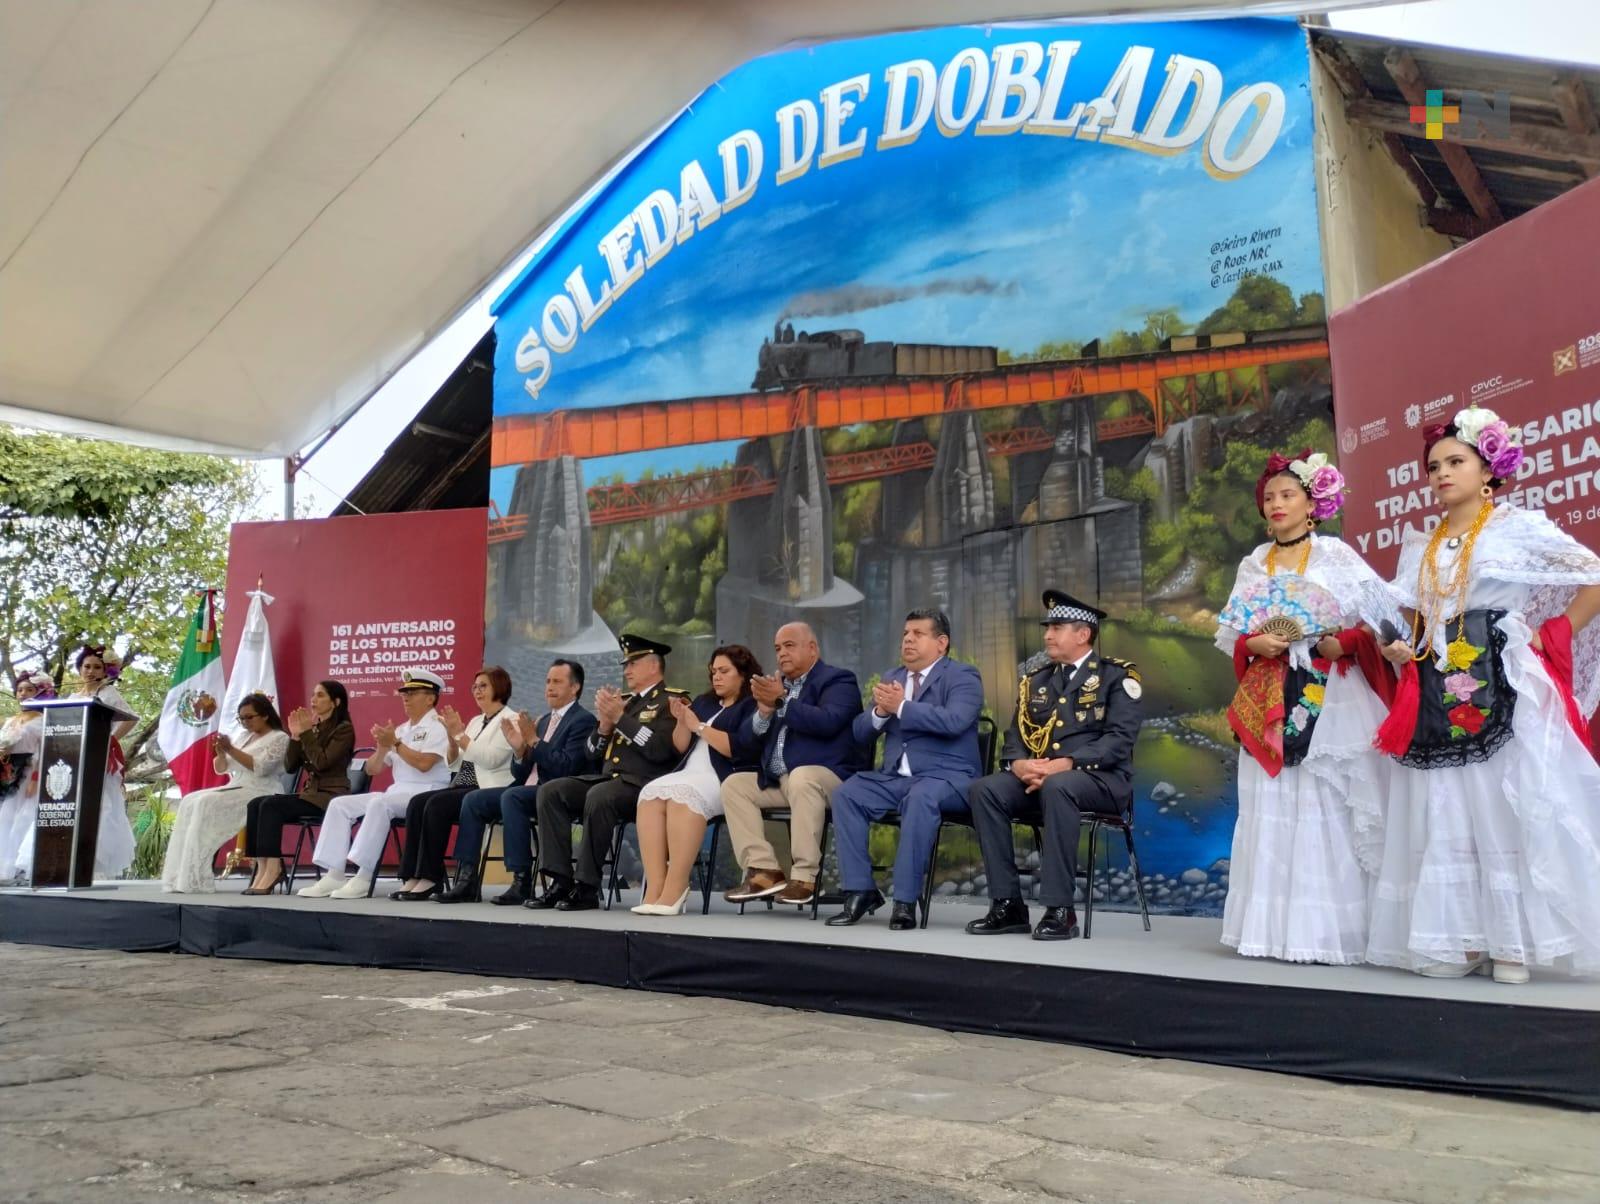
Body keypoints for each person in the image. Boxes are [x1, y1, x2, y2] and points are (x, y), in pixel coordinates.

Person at [1371, 404, 1600, 983]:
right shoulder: (1420, 544)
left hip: (1503, 676)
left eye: (1455, 462)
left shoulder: (1516, 527)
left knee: (1502, 800)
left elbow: (1593, 577)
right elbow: (1414, 620)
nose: (1441, 474)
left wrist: (1552, 633)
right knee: (1445, 805)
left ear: (1488, 468)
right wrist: (1400, 648)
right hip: (1436, 680)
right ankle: (1465, 937)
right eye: (1433, 467)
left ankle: (1513, 944)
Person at [1214, 451, 1401, 964]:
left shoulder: (1334, 555)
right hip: (1269, 690)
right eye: (1269, 497)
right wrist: (1254, 644)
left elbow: (1382, 620)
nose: (1277, 504)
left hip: (1330, 691)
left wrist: (1345, 642)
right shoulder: (1254, 563)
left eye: (1288, 495)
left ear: (1312, 503)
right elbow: (1233, 633)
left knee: (1326, 800)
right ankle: (1272, 932)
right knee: (1272, 800)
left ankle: (1333, 932)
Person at [965, 591, 1142, 940]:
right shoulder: (1037, 680)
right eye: (1047, 628)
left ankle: (1060, 910)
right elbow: (1016, 734)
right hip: (1042, 779)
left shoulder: (1116, 677)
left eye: (1056, 628)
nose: (1047, 635)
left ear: (1083, 634)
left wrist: (1068, 763)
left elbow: (1120, 739)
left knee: (1060, 786)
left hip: (1101, 782)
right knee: (985, 790)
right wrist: (1018, 765)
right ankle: (1008, 905)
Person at [827, 610, 983, 929]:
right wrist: (881, 713)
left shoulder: (963, 676)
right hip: (896, 779)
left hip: (948, 779)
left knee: (920, 798)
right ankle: (860, 890)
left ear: (941, 643)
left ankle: (904, 901)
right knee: (847, 794)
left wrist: (901, 707)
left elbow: (955, 721)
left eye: (917, 634)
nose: (908, 640)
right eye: (905, 634)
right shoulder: (893, 677)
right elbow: (859, 733)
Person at [531, 635, 684, 911]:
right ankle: (560, 881)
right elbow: (591, 753)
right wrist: (603, 728)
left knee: (600, 796)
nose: (627, 670)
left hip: (644, 785)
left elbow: (660, 749)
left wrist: (620, 719)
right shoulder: (625, 702)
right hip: (609, 780)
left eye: (633, 664)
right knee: (551, 791)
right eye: (626, 665)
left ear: (653, 666)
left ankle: (587, 887)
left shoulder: (670, 701)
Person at [721, 622, 865, 907]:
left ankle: (804, 878)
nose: (782, 653)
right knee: (734, 786)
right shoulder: (777, 687)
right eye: (777, 648)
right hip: (781, 781)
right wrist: (763, 713)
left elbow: (828, 722)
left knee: (801, 777)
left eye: (789, 646)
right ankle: (763, 871)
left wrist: (782, 701)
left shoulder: (838, 680)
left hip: (830, 779)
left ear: (812, 649)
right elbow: (745, 744)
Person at [437, 659, 597, 905]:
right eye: (547, 681)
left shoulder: (583, 720)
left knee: (512, 797)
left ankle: (521, 881)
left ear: (575, 688)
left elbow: (567, 766)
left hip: (558, 791)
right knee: (473, 800)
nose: (549, 687)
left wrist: (534, 742)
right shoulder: (543, 721)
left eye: (557, 682)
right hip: (529, 788)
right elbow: (520, 774)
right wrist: (519, 751)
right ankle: (466, 879)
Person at [630, 644, 762, 916]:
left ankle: (676, 887)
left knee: (683, 797)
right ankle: (655, 888)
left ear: (742, 673)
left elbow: (736, 748)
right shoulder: (704, 702)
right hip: (690, 770)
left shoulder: (751, 706)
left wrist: (698, 726)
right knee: (650, 795)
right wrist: (681, 720)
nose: (717, 677)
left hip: (724, 777)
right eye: (713, 672)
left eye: (724, 671)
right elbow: (681, 746)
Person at [298, 668, 451, 899]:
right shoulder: (401, 730)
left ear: (430, 698)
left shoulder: (438, 727)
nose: (405, 698)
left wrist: (396, 744)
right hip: (398, 791)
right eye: (404, 693)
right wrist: (381, 748)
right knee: (340, 804)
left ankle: (364, 876)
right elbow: (372, 769)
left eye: (412, 693)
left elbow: (424, 764)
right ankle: (334, 874)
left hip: (426, 792)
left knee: (380, 804)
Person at [388, 667, 516, 901]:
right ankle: (412, 875)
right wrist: (452, 738)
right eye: (475, 687)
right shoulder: (476, 721)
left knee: (437, 804)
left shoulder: (510, 719)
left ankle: (432, 878)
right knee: (417, 803)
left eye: (483, 686)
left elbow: (491, 759)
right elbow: (455, 764)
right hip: (464, 785)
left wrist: (459, 735)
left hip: (490, 788)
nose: (477, 691)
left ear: (499, 687)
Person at [159, 693, 289, 894]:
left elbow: (261, 768)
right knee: (189, 800)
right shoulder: (244, 737)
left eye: (249, 717)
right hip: (237, 785)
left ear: (265, 715)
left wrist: (231, 749)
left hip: (262, 789)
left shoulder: (279, 738)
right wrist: (221, 753)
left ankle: (197, 874)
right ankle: (180, 876)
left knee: (204, 802)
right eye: (241, 718)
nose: (245, 722)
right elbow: (222, 768)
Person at [242, 680, 355, 894]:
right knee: (255, 804)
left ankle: (274, 868)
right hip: (311, 794)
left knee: (271, 806)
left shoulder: (344, 729)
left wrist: (305, 734)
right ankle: (262, 867)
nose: (313, 700)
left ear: (336, 702)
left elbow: (322, 763)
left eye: (320, 695)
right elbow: (291, 767)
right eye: (313, 694)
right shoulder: (313, 729)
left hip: (330, 796)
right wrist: (295, 737)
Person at [70, 644, 137, 878]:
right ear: (80, 669)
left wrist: (110, 739)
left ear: (105, 671)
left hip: (98, 757)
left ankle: (96, 864)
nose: (90, 671)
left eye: (96, 667)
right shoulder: (73, 697)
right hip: (72, 756)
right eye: (86, 666)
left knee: (101, 807)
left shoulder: (108, 694)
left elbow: (131, 719)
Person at [0, 672, 52, 882]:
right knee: (5, 817)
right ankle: (4, 866)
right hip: (8, 771)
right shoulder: (11, 720)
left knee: (24, 818)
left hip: (30, 771)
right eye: (20, 690)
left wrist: (35, 779)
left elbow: (44, 751)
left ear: (40, 692)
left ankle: (19, 866)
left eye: (29, 689)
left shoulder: (44, 720)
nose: (23, 693)